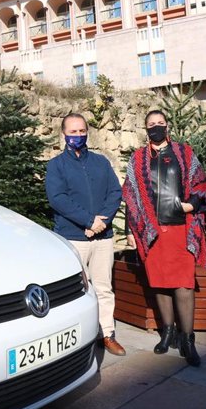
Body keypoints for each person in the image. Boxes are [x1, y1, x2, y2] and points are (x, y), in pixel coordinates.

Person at [122, 110, 206, 367]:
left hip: (181, 229)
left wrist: (191, 206)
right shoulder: (137, 159)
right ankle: (168, 333)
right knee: (160, 283)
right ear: (145, 129)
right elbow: (131, 195)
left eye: (160, 123)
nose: (156, 127)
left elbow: (201, 185)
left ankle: (188, 339)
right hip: (152, 231)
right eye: (151, 124)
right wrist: (131, 230)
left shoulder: (184, 153)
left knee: (183, 284)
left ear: (167, 126)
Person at [45, 113, 126, 356]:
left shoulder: (101, 162)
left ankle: (107, 334)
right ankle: (78, 340)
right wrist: (88, 221)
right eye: (73, 132)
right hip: (73, 236)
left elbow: (115, 192)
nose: (78, 136)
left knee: (103, 287)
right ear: (64, 134)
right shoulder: (56, 165)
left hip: (103, 237)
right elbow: (57, 199)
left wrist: (101, 221)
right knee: (74, 291)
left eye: (82, 131)